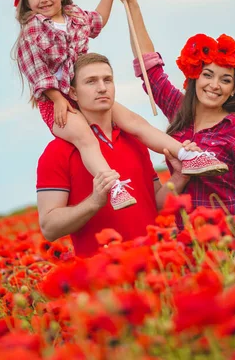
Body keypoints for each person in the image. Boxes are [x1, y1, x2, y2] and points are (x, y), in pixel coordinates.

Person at [11, 0, 228, 211]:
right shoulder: (32, 31)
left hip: (85, 92)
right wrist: (58, 99)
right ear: (25, 3)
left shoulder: (75, 17)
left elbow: (98, 21)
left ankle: (186, 155)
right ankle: (113, 185)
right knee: (85, 138)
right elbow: (36, 70)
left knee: (135, 122)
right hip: (57, 102)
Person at [115, 0, 235, 223]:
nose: (214, 85)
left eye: (225, 80)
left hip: (232, 236)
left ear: (234, 89)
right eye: (208, 75)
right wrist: (132, 3)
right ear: (195, 77)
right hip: (191, 238)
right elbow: (149, 68)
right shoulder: (179, 110)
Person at [36, 53, 191, 257]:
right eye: (91, 81)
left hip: (157, 264)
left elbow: (154, 204)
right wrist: (95, 201)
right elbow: (49, 228)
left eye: (107, 80)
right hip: (107, 279)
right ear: (73, 93)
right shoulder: (58, 152)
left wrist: (180, 177)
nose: (102, 88)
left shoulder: (135, 140)